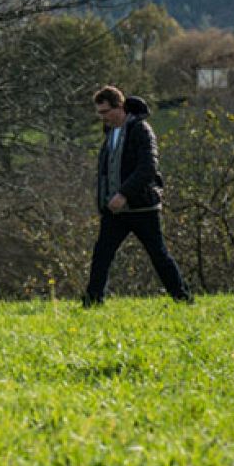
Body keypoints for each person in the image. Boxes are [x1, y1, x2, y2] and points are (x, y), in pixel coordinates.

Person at [83, 85, 193, 306]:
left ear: (119, 106)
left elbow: (147, 168)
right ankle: (92, 301)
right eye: (99, 113)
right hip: (115, 210)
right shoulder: (110, 133)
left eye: (105, 112)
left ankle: (182, 298)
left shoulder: (141, 130)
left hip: (142, 207)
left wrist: (123, 194)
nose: (102, 117)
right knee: (101, 256)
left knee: (158, 255)